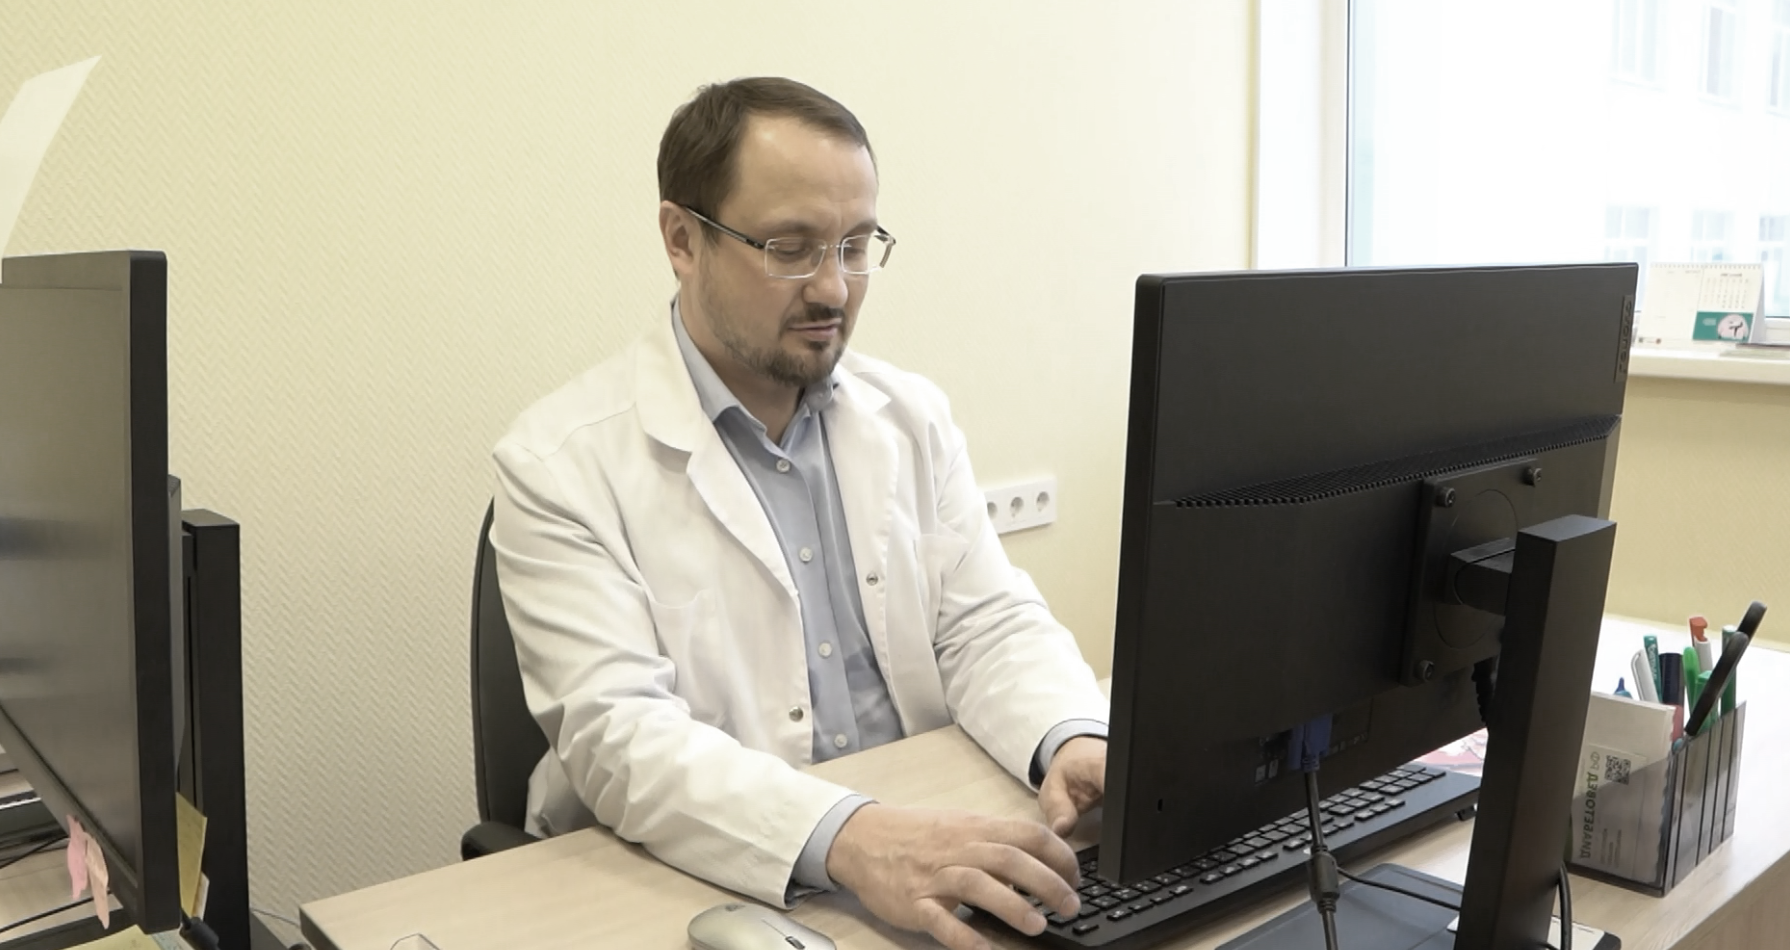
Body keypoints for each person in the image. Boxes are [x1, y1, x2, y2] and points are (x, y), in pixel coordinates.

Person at [490, 76, 1109, 950]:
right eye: (791, 247)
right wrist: (856, 839)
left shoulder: (909, 416)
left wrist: (1070, 737)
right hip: (689, 885)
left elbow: (985, 624)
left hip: (923, 846)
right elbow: (620, 739)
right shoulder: (558, 463)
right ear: (682, 239)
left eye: (856, 246)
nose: (834, 289)